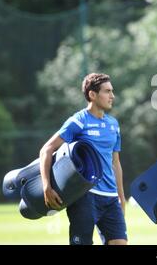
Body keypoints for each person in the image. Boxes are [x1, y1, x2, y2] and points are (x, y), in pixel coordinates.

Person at [39, 73, 127, 245]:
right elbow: (46, 149)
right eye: (107, 91)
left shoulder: (113, 124)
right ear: (92, 95)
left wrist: (121, 197)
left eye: (112, 91)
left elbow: (115, 162)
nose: (112, 96)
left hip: (110, 198)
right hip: (85, 196)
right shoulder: (79, 121)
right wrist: (46, 186)